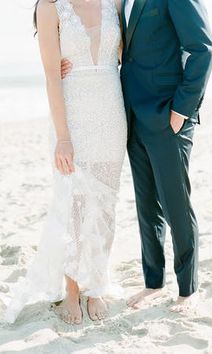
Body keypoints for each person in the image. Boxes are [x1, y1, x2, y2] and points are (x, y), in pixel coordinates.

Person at [62, 0, 212, 312]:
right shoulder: (121, 1)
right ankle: (154, 283)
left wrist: (181, 111)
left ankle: (188, 289)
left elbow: (202, 49)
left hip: (167, 116)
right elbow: (120, 50)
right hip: (131, 115)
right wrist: (68, 63)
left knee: (175, 204)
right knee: (147, 206)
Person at [5, 0, 127, 325]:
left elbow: (128, 57)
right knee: (75, 203)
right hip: (73, 115)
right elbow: (51, 76)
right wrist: (63, 136)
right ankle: (71, 289)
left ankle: (96, 283)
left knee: (105, 204)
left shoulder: (113, 4)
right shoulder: (50, 7)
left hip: (112, 111)